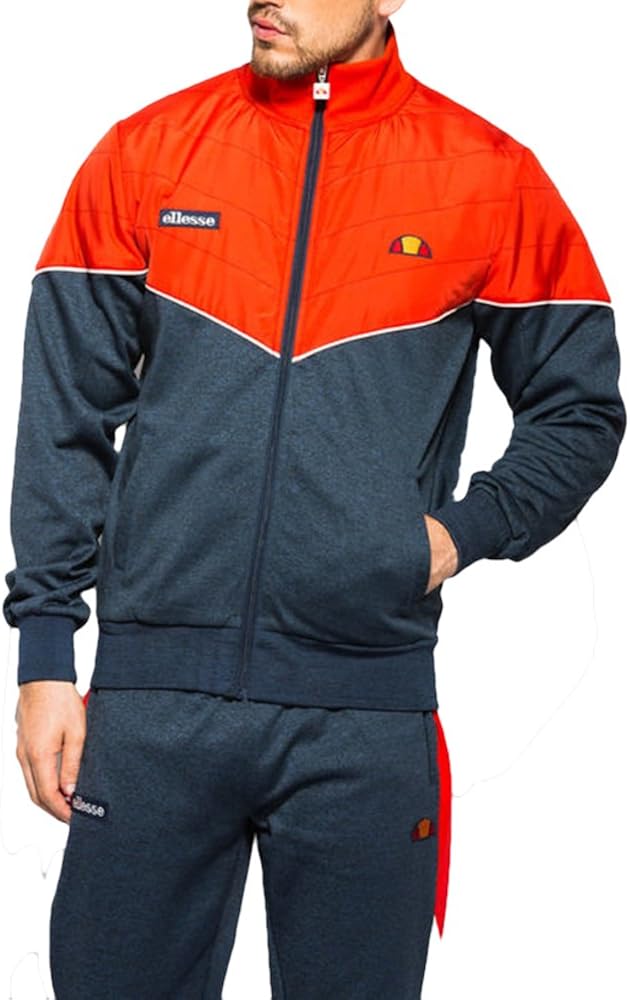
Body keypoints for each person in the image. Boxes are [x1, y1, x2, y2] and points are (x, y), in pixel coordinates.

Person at [3, 1, 625, 997]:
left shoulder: (487, 174)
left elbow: (580, 408)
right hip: (152, 713)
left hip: (364, 718)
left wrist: (454, 536)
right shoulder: (146, 152)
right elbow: (63, 412)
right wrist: (43, 656)